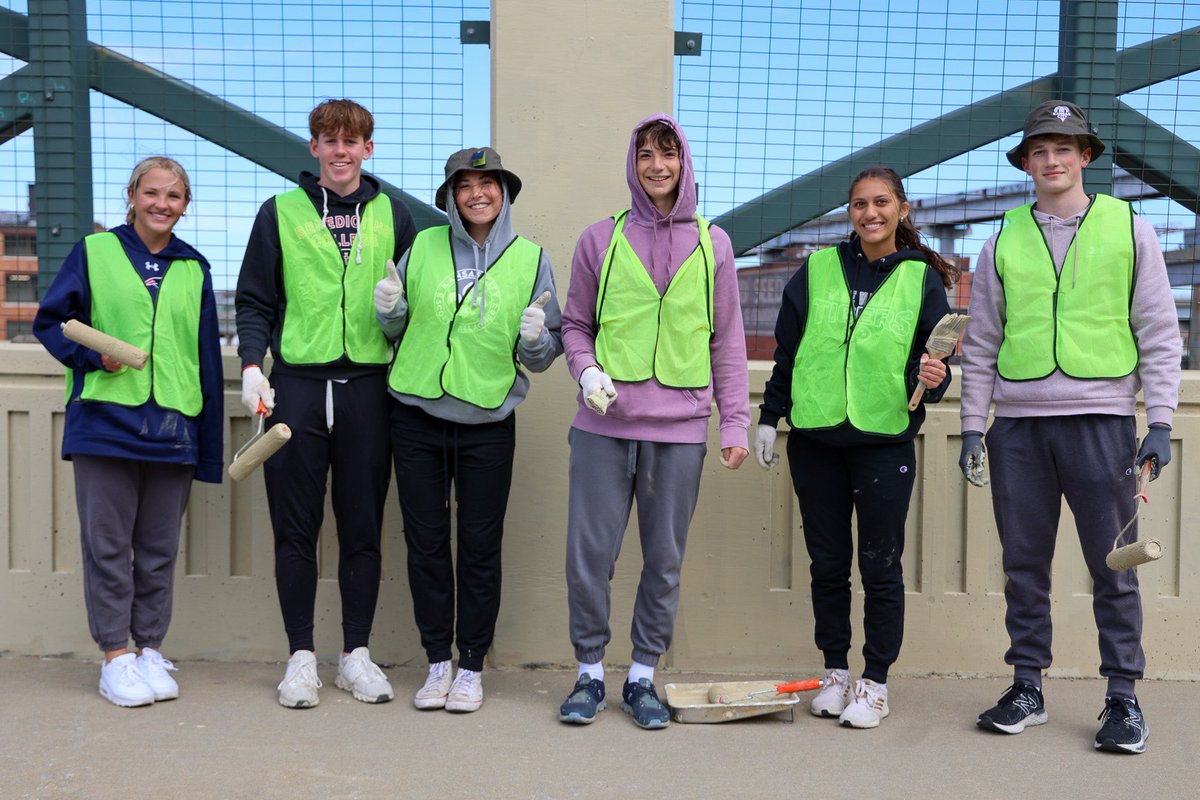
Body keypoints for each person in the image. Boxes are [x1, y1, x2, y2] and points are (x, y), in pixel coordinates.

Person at [959, 100, 1180, 754]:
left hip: (1102, 425)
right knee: (1023, 565)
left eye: (1064, 148)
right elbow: (980, 345)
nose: (1051, 159)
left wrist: (1159, 423)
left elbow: (1160, 335)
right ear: (1026, 162)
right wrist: (975, 428)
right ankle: (1026, 686)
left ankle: (1123, 698)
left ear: (1086, 156)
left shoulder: (1130, 230)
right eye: (1039, 150)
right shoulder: (999, 242)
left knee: (1113, 564)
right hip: (1019, 431)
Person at [557, 114, 750, 730]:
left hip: (681, 428)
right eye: (646, 154)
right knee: (588, 557)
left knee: (664, 558)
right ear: (633, 163)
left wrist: (735, 424)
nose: (657, 165)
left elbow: (728, 342)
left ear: (684, 161)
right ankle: (589, 672)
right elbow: (574, 326)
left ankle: (642, 676)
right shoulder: (599, 239)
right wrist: (585, 372)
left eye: (668, 153)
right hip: (603, 428)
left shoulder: (713, 242)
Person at [755, 166, 959, 728]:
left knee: (880, 563)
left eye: (881, 203)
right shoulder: (818, 268)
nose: (870, 213)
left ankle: (875, 683)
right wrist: (769, 418)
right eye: (859, 204)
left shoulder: (922, 277)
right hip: (815, 438)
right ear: (850, 212)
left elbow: (936, 368)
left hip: (882, 440)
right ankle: (835, 672)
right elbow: (788, 352)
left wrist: (934, 376)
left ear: (902, 209)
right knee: (827, 563)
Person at [235, 99, 417, 708]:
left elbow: (418, 306)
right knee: (297, 527)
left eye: (352, 141)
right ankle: (300, 659)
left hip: (369, 388)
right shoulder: (280, 211)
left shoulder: (397, 215)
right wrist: (253, 367)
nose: (341, 151)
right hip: (298, 389)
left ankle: (355, 656)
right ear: (313, 148)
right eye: (328, 140)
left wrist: (399, 314)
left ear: (369, 148)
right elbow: (256, 299)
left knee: (363, 526)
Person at [375, 147, 562, 713]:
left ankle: (472, 665)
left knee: (480, 547)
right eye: (465, 185)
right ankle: (437, 662)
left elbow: (544, 354)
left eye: (489, 183)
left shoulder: (532, 258)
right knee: (426, 543)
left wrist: (535, 339)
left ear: (504, 192)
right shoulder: (424, 245)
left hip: (487, 422)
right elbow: (396, 326)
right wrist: (388, 309)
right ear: (451, 195)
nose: (477, 194)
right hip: (415, 415)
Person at [34, 157, 223, 707]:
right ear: (132, 195)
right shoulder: (95, 253)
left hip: (174, 426)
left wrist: (206, 447)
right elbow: (51, 321)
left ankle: (149, 649)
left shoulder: (195, 266)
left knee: (160, 548)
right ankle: (115, 656)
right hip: (104, 425)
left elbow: (205, 358)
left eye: (175, 196)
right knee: (109, 546)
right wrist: (92, 358)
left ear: (186, 205)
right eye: (152, 193)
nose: (162, 205)